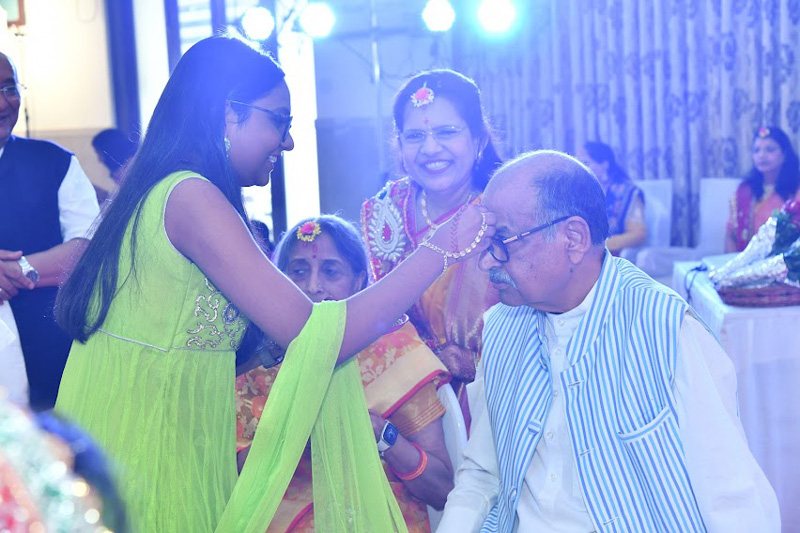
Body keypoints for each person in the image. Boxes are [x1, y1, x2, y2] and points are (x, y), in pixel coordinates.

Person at [53, 36, 492, 532]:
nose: (288, 142)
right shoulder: (190, 196)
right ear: (228, 113)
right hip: (154, 449)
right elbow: (317, 336)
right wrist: (440, 247)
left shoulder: (165, 188)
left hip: (162, 434)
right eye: (279, 121)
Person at [438, 150, 780, 532]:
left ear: (573, 238)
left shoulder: (665, 329)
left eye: (503, 241)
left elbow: (732, 499)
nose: (486, 262)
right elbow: (482, 475)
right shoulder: (501, 327)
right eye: (486, 244)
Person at [236, 215, 453, 532]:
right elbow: (228, 479)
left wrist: (379, 434)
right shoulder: (258, 362)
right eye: (298, 271)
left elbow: (441, 488)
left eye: (330, 271)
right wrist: (294, 436)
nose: (313, 286)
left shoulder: (394, 351)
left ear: (359, 281)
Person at [361, 69, 502, 414]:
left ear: (479, 140)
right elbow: (376, 319)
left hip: (494, 398)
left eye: (446, 132)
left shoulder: (503, 213)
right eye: (414, 136)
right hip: (403, 400)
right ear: (400, 145)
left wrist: (472, 363)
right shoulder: (385, 211)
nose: (430, 148)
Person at [0, 51, 100, 411]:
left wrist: (19, 270)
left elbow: (89, 247)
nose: (3, 103)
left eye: (9, 88)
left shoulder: (54, 162)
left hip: (47, 348)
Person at [725, 126, 800, 252]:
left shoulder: (795, 190)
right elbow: (731, 235)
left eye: (770, 150)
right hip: (747, 260)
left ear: (784, 154)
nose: (761, 155)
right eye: (756, 150)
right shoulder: (745, 191)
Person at [577, 141, 647, 255]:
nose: (581, 169)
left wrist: (598, 247)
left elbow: (637, 235)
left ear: (604, 164)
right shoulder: (580, 192)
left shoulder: (628, 193)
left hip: (610, 255)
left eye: (586, 163)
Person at [91, 128, 138, 202]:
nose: (99, 160)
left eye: (100, 154)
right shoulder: (123, 168)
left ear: (109, 151)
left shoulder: (131, 168)